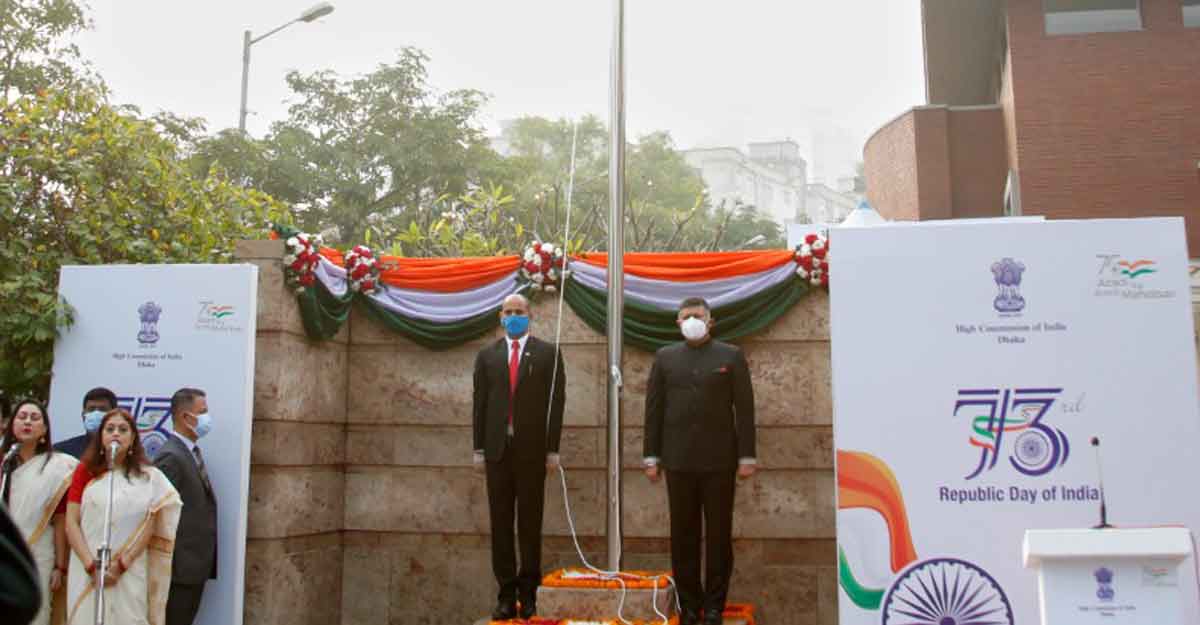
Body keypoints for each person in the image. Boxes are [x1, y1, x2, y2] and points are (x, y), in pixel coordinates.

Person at [643, 297, 757, 625]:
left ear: (710, 321)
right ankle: (689, 605)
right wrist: (651, 456)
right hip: (678, 461)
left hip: (720, 462)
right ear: (678, 323)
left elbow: (744, 410)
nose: (692, 320)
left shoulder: (730, 356)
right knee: (683, 536)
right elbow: (654, 409)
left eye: (697, 315)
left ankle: (714, 606)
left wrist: (747, 456)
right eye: (686, 316)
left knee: (719, 535)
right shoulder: (665, 357)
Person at [472, 293, 566, 620]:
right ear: (500, 317)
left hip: (532, 452)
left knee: (529, 523)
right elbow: (480, 404)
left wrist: (552, 449)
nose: (514, 316)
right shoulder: (487, 356)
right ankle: (505, 594)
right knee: (500, 524)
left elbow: (556, 405)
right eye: (508, 312)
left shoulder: (548, 354)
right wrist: (478, 449)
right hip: (497, 451)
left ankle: (529, 594)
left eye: (519, 311)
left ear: (530, 315)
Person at [63, 409, 181, 625]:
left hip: (129, 569)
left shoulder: (148, 477)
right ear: (101, 436)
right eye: (110, 429)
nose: (116, 434)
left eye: (123, 429)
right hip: (87, 568)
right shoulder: (85, 471)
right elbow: (71, 522)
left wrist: (122, 565)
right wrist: (91, 566)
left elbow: (150, 524)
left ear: (133, 437)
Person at [2, 399, 79, 625]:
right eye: (22, 417)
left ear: (44, 430)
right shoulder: (4, 462)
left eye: (34, 418)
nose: (27, 422)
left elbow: (60, 519)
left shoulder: (58, 468)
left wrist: (60, 566)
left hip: (39, 554)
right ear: (12, 424)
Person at [154, 388, 217, 625]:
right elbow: (161, 514)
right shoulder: (171, 456)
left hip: (193, 566)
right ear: (185, 417)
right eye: (203, 412)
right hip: (179, 569)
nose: (207, 418)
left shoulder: (190, 452)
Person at [54, 388, 118, 459]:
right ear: (83, 415)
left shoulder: (122, 451)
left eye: (102, 409)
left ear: (114, 415)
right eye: (91, 409)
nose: (96, 413)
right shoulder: (62, 451)